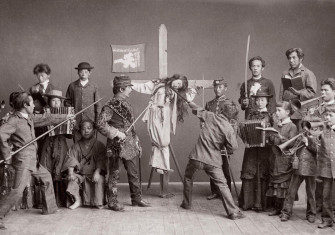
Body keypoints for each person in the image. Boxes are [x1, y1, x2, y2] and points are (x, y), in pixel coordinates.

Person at [0, 92, 73, 230]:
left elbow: (47, 119)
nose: (35, 105)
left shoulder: (30, 117)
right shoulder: (14, 120)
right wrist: (6, 154)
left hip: (33, 159)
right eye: (32, 103)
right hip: (23, 161)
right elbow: (1, 134)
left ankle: (50, 209)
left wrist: (66, 117)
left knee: (46, 178)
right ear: (25, 105)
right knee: (17, 191)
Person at [131, 74, 196, 197]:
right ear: (174, 78)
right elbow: (142, 87)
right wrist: (129, 84)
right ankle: (163, 180)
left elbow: (187, 97)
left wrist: (194, 90)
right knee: (161, 145)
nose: (177, 85)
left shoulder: (175, 93)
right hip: (155, 115)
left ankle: (162, 178)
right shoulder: (157, 84)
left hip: (165, 118)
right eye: (177, 82)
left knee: (163, 145)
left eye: (180, 85)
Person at [180, 100, 245, 220]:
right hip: (213, 161)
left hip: (196, 157)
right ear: (233, 116)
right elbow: (233, 147)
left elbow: (197, 109)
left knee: (188, 178)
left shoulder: (210, 115)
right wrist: (226, 147)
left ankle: (186, 204)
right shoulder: (228, 128)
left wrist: (189, 102)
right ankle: (233, 212)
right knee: (223, 185)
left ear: (221, 110)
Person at [97, 75, 150, 211]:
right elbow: (100, 124)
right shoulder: (110, 106)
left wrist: (136, 140)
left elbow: (130, 125)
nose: (131, 90)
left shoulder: (127, 104)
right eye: (128, 88)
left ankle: (136, 198)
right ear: (121, 89)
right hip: (116, 143)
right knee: (114, 173)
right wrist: (116, 132)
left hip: (130, 143)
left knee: (133, 172)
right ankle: (113, 202)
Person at [239, 88, 273, 212]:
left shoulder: (271, 116)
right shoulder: (251, 114)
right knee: (249, 172)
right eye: (257, 100)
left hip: (265, 150)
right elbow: (244, 129)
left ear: (267, 101)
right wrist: (246, 140)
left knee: (262, 173)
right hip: (251, 150)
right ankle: (247, 203)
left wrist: (268, 138)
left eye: (262, 100)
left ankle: (261, 204)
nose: (259, 102)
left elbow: (274, 133)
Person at [280, 117, 320, 223]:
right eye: (304, 127)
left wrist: (307, 142)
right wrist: (293, 150)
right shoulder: (300, 136)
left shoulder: (317, 137)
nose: (305, 129)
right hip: (298, 167)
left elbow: (317, 151)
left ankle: (311, 214)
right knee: (291, 192)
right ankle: (286, 212)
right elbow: (294, 146)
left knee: (311, 193)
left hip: (311, 169)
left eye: (308, 127)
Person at [205, 78, 239, 200]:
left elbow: (234, 123)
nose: (217, 89)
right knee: (212, 166)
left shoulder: (230, 103)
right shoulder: (209, 104)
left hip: (224, 140)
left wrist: (229, 140)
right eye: (216, 87)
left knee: (224, 166)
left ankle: (226, 192)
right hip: (212, 140)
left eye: (220, 87)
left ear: (225, 88)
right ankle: (215, 191)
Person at [62, 120, 106, 209]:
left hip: (93, 173)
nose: (86, 131)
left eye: (89, 128)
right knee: (71, 180)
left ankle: (97, 202)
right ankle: (78, 200)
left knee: (99, 179)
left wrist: (97, 172)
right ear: (80, 131)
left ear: (94, 130)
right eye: (83, 129)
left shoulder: (99, 145)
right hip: (80, 174)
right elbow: (71, 159)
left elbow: (101, 160)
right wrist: (71, 173)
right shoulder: (76, 146)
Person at [38, 90, 71, 207]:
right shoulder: (44, 113)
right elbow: (38, 131)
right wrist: (46, 125)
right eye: (53, 100)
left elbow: (69, 135)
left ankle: (59, 201)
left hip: (61, 144)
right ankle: (45, 202)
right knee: (46, 168)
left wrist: (70, 123)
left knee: (60, 169)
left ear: (61, 102)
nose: (56, 103)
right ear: (49, 101)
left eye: (58, 101)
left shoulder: (67, 113)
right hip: (47, 144)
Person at [266, 101, 298, 216]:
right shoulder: (276, 125)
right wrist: (270, 136)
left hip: (285, 161)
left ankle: (286, 211)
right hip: (275, 159)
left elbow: (292, 143)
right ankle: (277, 208)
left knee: (285, 187)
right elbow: (273, 142)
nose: (276, 112)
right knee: (276, 186)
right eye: (276, 110)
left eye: (279, 110)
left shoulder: (292, 126)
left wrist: (279, 136)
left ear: (288, 112)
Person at [306, 106, 335, 228]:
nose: (327, 118)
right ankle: (327, 219)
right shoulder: (323, 132)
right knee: (326, 196)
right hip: (327, 170)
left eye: (331, 115)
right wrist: (309, 140)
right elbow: (317, 147)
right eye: (326, 115)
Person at [279, 48, 317, 127]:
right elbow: (281, 93)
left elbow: (312, 92)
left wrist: (299, 92)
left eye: (294, 57)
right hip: (287, 113)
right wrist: (281, 109)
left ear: (301, 58)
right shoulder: (285, 73)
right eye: (289, 58)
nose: (291, 60)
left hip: (301, 113)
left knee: (299, 136)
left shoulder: (308, 73)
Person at [64, 62, 100, 142]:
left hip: (91, 121)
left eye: (86, 72)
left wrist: (97, 121)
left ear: (89, 73)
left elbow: (97, 105)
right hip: (76, 121)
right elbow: (67, 102)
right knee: (77, 144)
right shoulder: (72, 86)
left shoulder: (94, 86)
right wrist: (71, 115)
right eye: (81, 72)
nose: (83, 74)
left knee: (91, 145)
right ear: (78, 72)